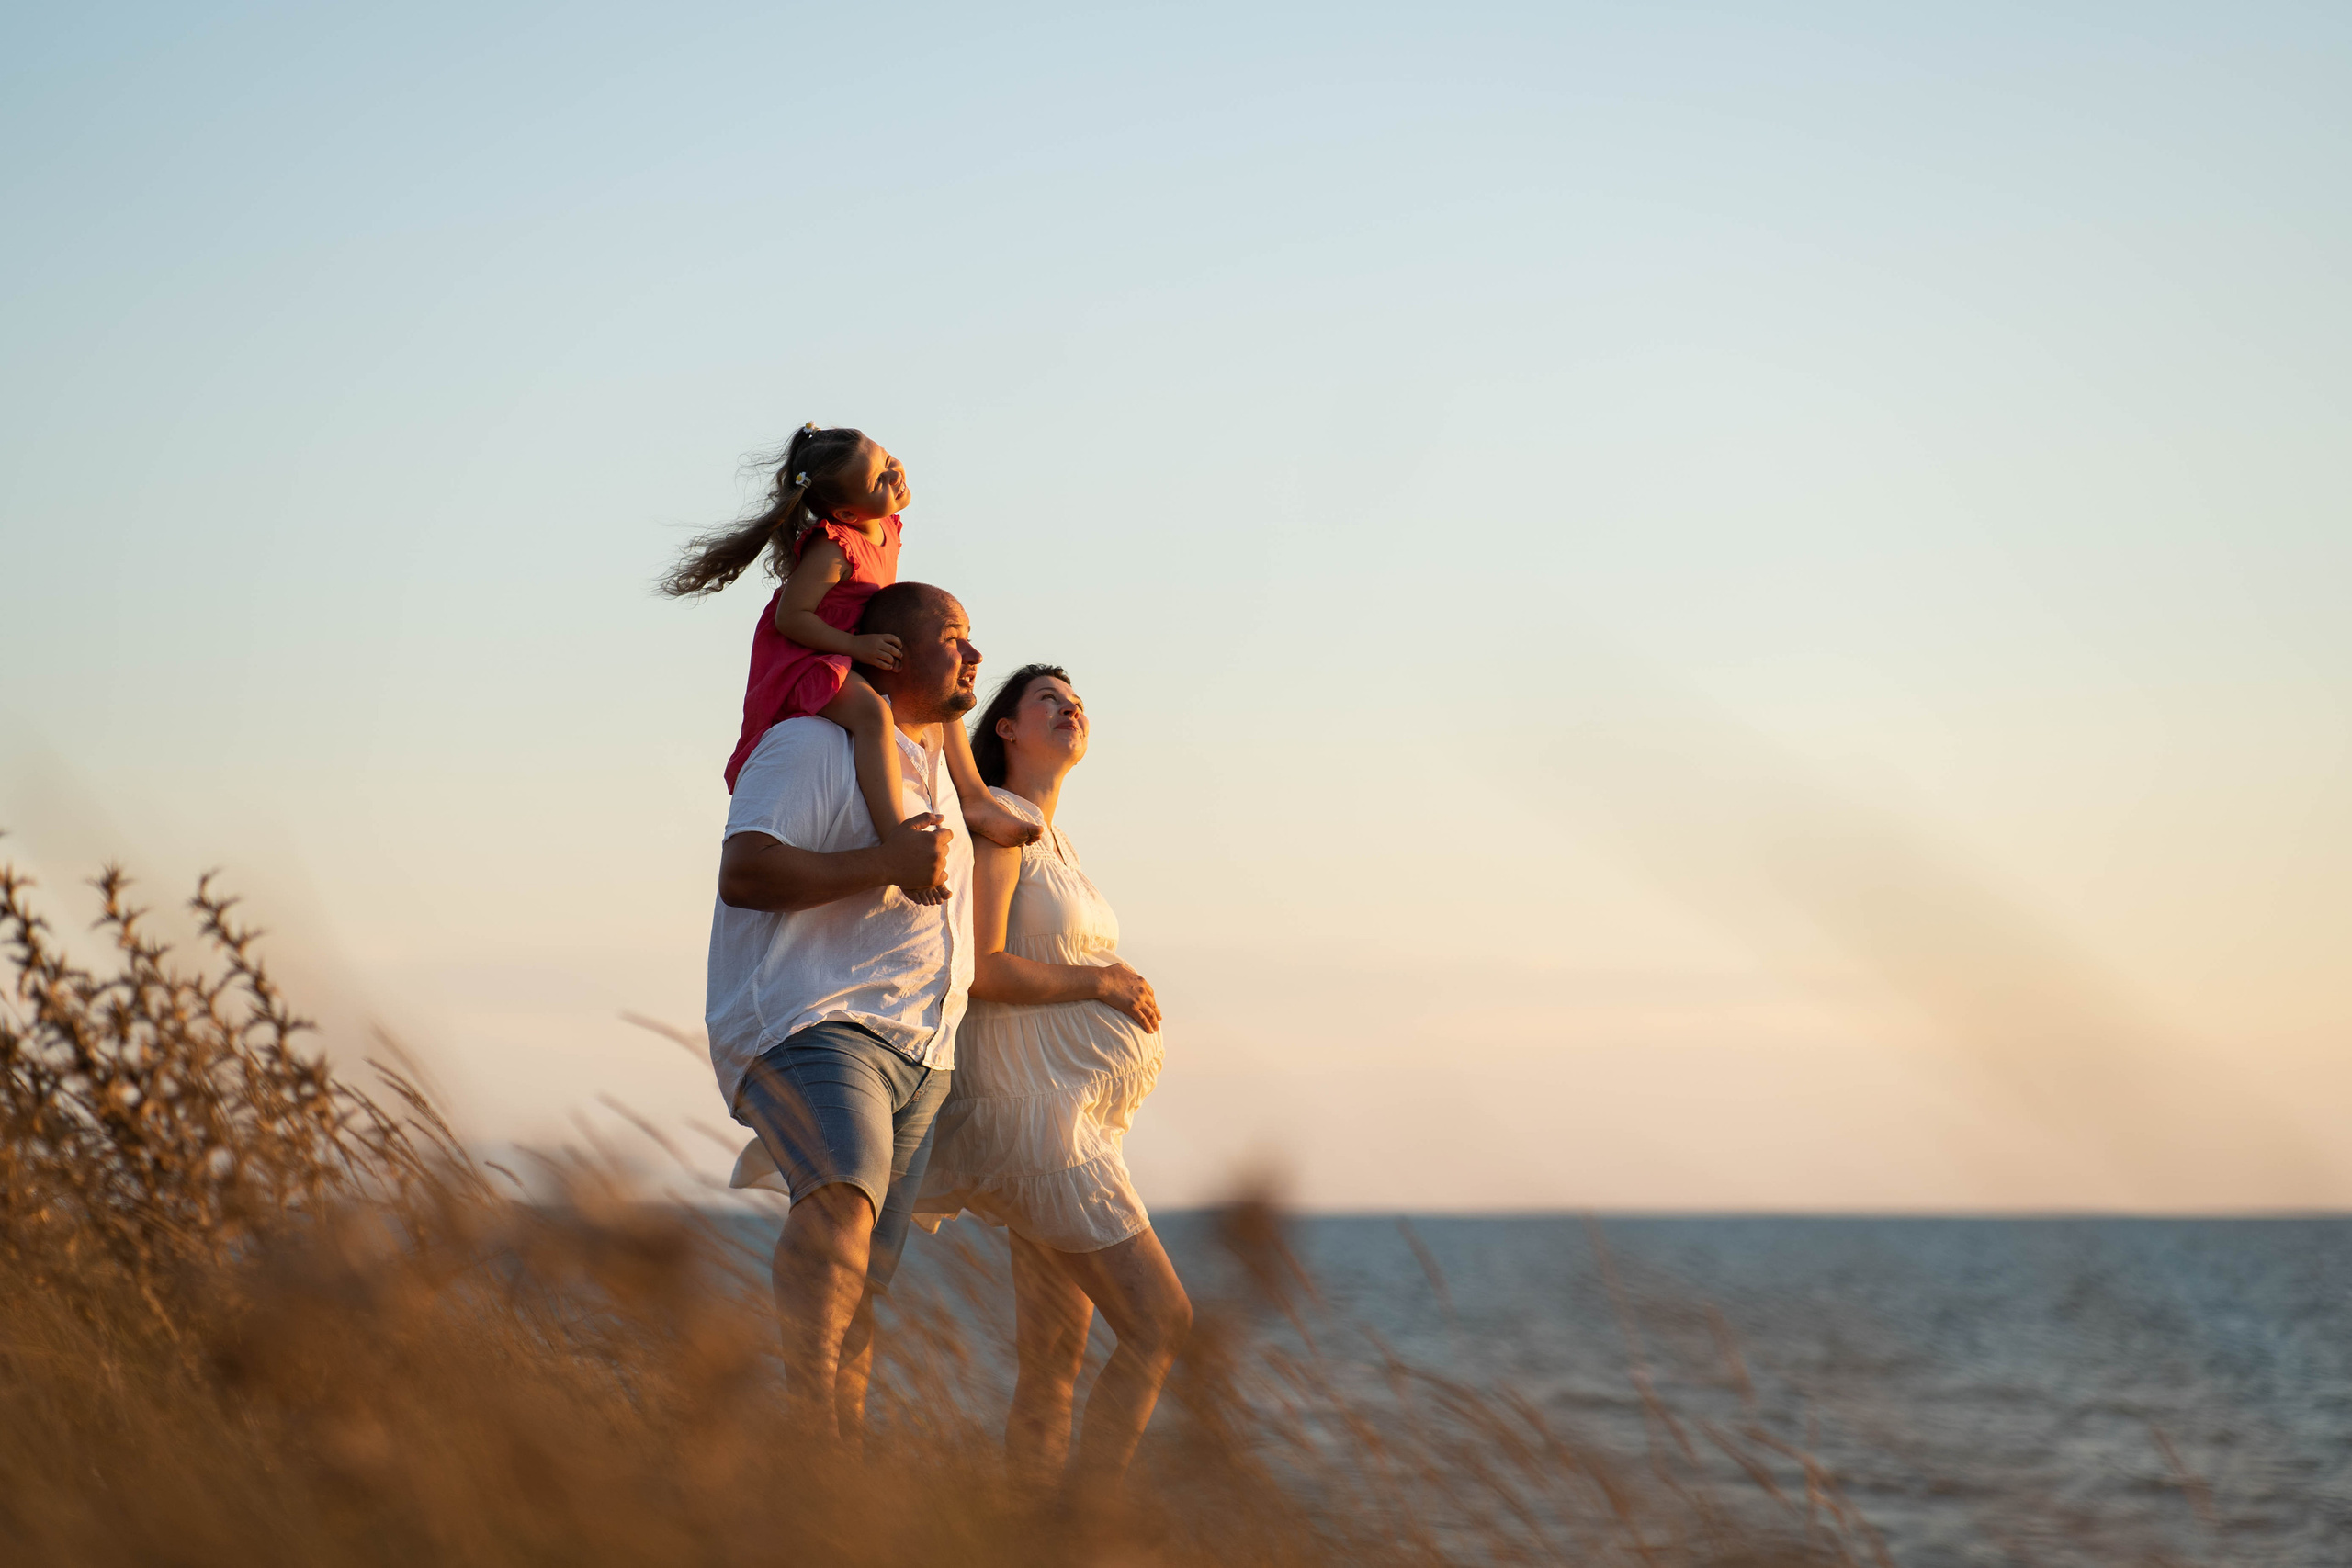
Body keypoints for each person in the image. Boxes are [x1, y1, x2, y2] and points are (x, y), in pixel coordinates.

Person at [705, 581, 984, 1446]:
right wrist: (883, 861)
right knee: (841, 1202)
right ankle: (802, 1438)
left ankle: (834, 1485)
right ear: (891, 651)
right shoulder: (807, 745)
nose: (974, 654)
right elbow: (745, 872)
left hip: (924, 1055)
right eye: (953, 635)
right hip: (811, 1020)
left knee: (869, 1277)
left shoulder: (943, 770)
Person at [916, 664, 1190, 1495]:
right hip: (1043, 1128)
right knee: (1160, 1322)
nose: (1072, 708)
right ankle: (1084, 1522)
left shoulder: (1052, 834)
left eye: (1078, 701)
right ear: (1005, 727)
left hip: (1067, 1118)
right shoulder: (1003, 824)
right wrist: (1101, 983)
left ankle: (1029, 1533)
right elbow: (986, 967)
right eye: (1050, 699)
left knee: (1053, 1360)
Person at [662, 424, 1038, 879]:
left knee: (942, 690)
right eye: (879, 479)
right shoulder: (833, 546)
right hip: (811, 655)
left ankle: (975, 797)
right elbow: (791, 618)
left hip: (856, 644)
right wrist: (853, 645)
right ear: (845, 511)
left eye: (887, 460)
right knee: (872, 716)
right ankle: (894, 832)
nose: (894, 474)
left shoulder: (885, 525)